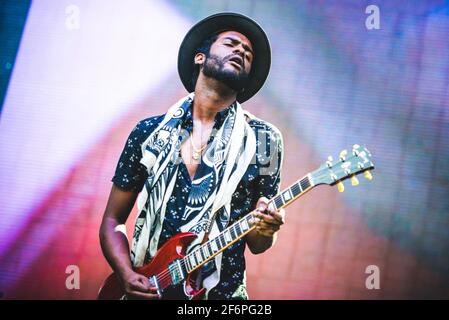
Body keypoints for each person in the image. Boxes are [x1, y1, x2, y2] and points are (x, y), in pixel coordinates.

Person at [99, 12, 285, 300]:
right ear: (200, 57)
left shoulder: (264, 139)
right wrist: (126, 274)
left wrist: (268, 228)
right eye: (231, 43)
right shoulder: (149, 132)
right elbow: (113, 220)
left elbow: (258, 243)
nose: (241, 51)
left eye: (248, 53)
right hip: (148, 288)